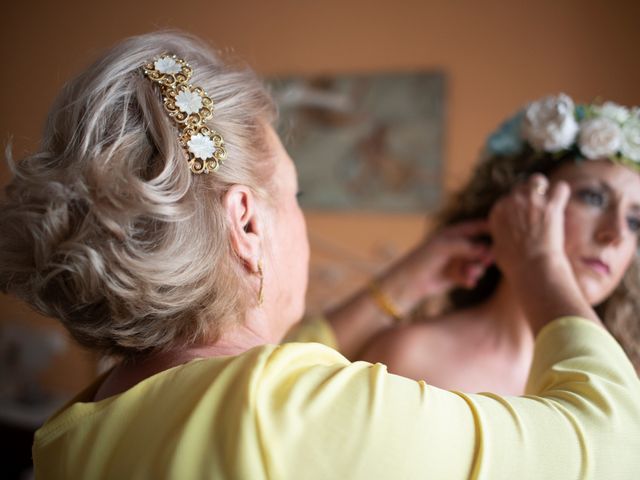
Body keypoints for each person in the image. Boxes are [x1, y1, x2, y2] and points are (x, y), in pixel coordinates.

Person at [0, 32, 639, 479]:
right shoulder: (295, 411)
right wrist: (541, 268)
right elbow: (616, 441)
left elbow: (263, 370)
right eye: (296, 193)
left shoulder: (74, 430)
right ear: (246, 223)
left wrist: (398, 286)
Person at [357, 94, 640, 395]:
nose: (616, 234)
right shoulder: (411, 356)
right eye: (593, 198)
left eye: (635, 221)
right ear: (520, 203)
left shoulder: (627, 381)